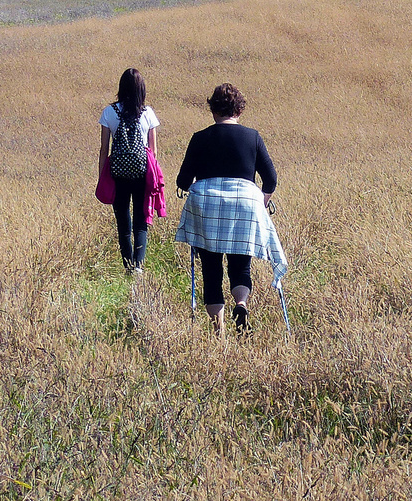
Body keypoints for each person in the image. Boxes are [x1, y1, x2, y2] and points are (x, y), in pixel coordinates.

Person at [174, 83, 285, 336]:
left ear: (213, 110)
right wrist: (261, 204)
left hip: (207, 207)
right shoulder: (253, 137)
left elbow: (182, 181)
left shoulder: (200, 138)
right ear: (239, 110)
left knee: (211, 269)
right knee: (240, 265)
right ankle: (241, 304)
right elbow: (271, 180)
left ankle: (218, 332)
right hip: (246, 206)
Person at [100, 68, 160, 274]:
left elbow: (104, 149)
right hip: (142, 172)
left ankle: (128, 265)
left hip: (118, 172)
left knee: (123, 220)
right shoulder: (148, 113)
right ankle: (139, 267)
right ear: (141, 89)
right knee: (141, 219)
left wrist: (102, 175)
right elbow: (153, 151)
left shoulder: (109, 112)